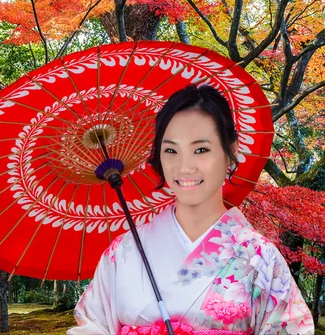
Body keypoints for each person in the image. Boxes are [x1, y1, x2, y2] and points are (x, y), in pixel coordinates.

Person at [68, 84, 314, 335]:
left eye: (201, 150)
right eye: (171, 150)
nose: (185, 167)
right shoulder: (123, 252)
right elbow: (92, 326)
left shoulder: (259, 257)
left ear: (231, 150)